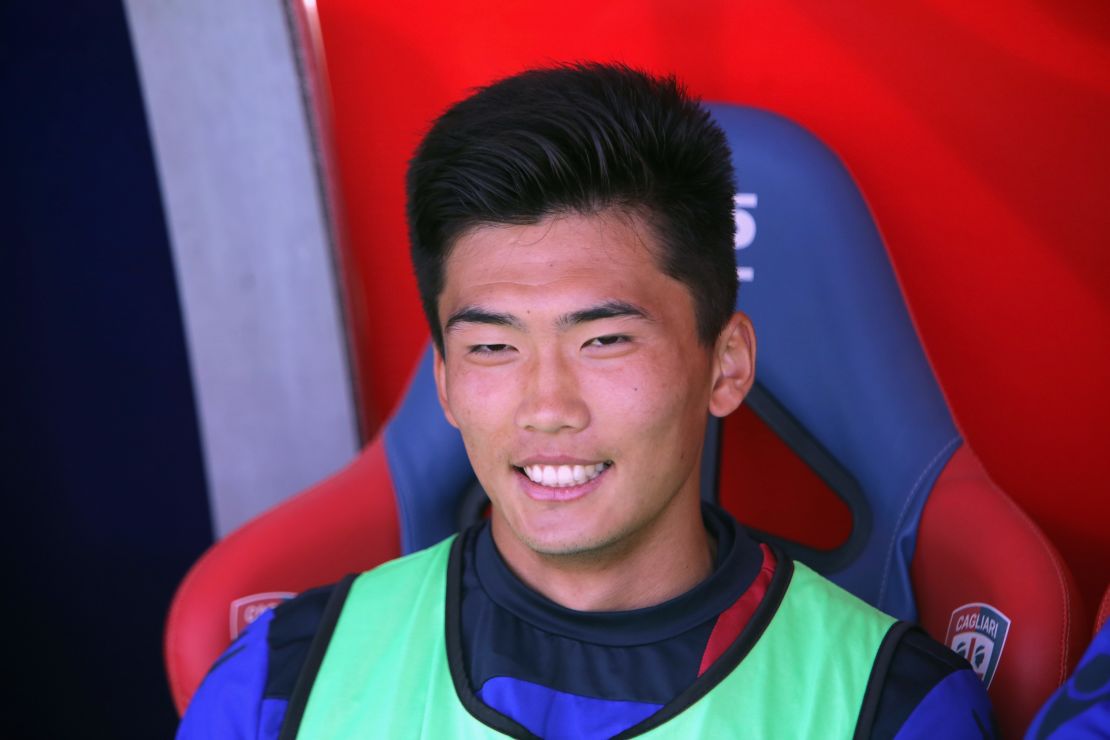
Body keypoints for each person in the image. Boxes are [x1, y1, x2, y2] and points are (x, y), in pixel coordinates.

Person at [177, 63, 996, 739]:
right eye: (493, 347)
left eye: (603, 340)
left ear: (727, 364)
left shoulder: (893, 708)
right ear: (446, 385)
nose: (546, 406)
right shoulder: (280, 682)